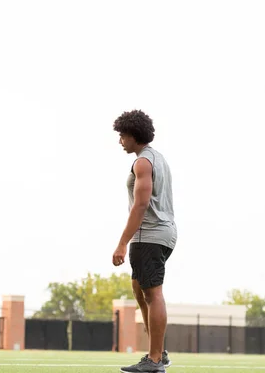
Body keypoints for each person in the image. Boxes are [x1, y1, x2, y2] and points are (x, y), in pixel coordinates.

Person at [111, 110, 177, 373]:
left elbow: (140, 205)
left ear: (133, 135)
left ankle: (155, 359)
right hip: (162, 233)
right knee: (140, 290)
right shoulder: (156, 158)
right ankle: (158, 352)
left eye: (122, 136)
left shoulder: (143, 163)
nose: (120, 141)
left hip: (149, 234)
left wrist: (122, 243)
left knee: (152, 294)